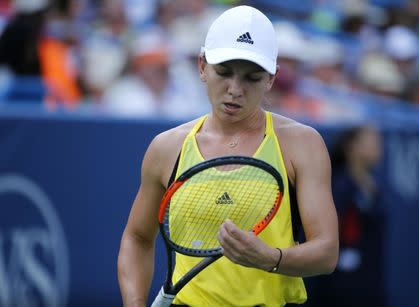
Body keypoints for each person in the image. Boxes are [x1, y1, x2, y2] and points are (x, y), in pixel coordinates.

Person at [117, 5, 339, 306]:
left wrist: (271, 258)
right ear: (202, 67)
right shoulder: (166, 148)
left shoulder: (302, 144)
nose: (235, 89)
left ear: (270, 79)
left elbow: (326, 253)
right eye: (224, 72)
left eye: (252, 78)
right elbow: (137, 238)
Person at [306, 124, 386, 307]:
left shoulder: (374, 187)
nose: (378, 146)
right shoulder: (338, 187)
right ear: (352, 146)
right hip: (341, 287)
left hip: (370, 283)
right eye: (371, 140)